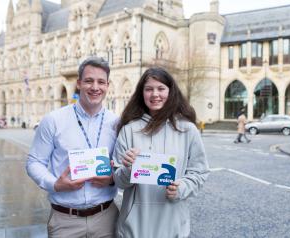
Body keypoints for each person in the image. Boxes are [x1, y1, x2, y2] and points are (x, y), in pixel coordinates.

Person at [26, 57, 119, 238]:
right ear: (78, 83)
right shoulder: (53, 120)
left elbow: (121, 165)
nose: (95, 87)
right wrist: (55, 184)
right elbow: (34, 162)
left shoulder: (116, 123)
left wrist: (113, 179)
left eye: (101, 82)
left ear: (108, 85)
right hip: (65, 221)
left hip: (106, 219)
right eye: (89, 81)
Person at [113, 67, 209, 238]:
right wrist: (128, 169)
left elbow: (199, 172)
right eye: (149, 89)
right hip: (134, 228)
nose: (155, 94)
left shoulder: (187, 130)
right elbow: (118, 180)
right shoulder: (128, 130)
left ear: (171, 92)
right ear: (141, 93)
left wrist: (183, 187)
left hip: (173, 226)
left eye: (161, 88)